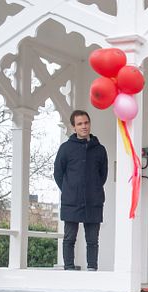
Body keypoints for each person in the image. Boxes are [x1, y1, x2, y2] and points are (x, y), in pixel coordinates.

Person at [54, 110, 108, 271]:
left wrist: (94, 189)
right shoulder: (65, 148)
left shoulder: (100, 149)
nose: (84, 126)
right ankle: (69, 269)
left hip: (94, 201)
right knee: (69, 238)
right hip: (71, 201)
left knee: (92, 240)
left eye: (86, 123)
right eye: (79, 124)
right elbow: (58, 173)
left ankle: (92, 269)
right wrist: (69, 189)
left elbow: (103, 175)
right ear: (73, 127)